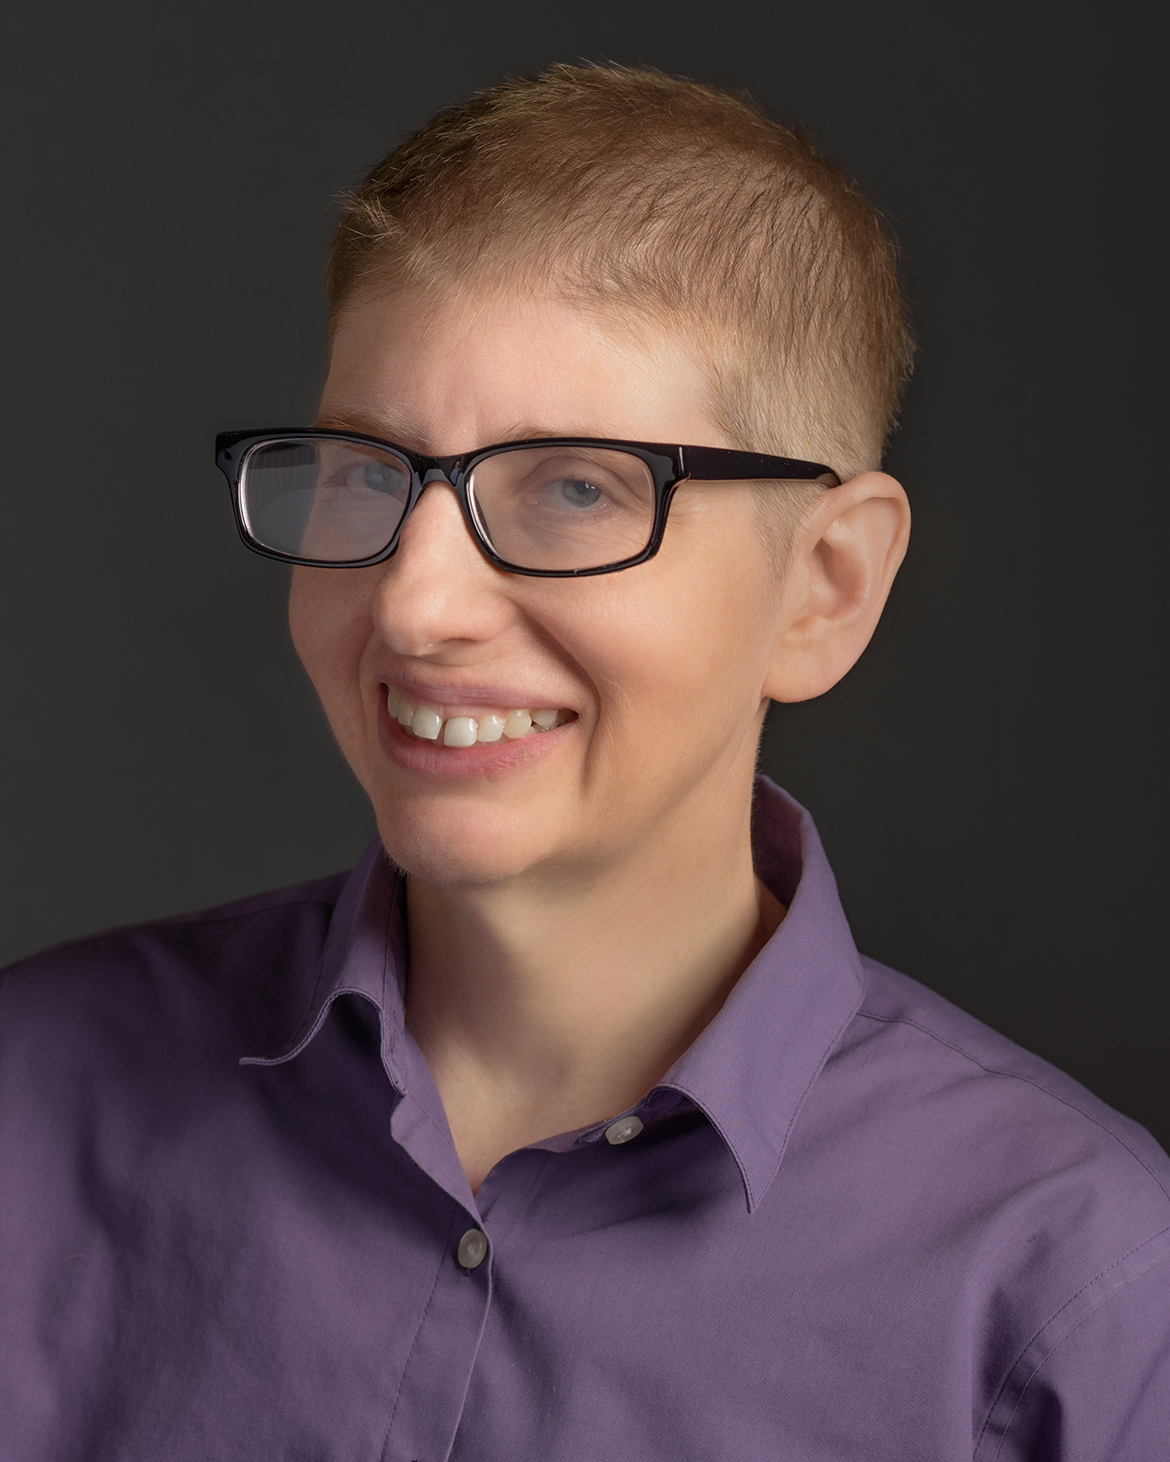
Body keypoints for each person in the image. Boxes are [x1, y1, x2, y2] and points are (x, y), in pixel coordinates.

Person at [1, 63, 1167, 1462]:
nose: (415, 604)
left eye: (571, 488)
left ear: (825, 586)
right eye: (370, 472)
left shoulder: (1075, 1295)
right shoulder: (32, 1100)